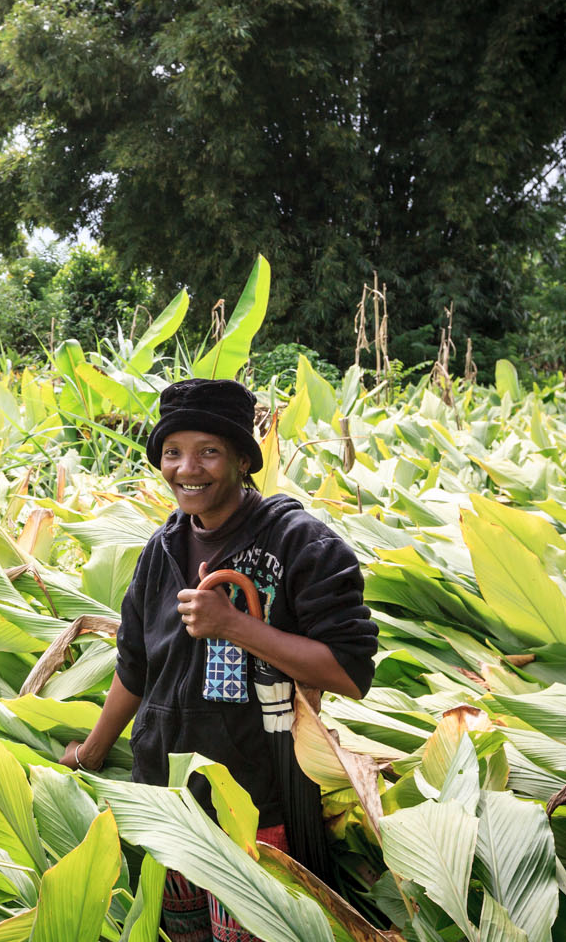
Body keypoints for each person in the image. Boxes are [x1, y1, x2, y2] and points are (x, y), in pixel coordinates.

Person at [61, 377, 378, 942]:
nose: (188, 469)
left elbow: (349, 672)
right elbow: (135, 668)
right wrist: (90, 753)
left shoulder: (299, 544)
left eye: (208, 451)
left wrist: (235, 626)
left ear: (242, 459)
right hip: (168, 802)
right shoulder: (162, 550)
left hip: (258, 807)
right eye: (172, 453)